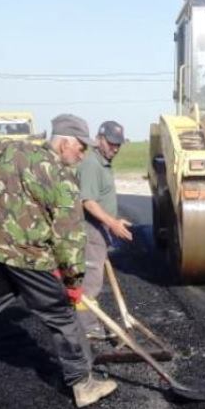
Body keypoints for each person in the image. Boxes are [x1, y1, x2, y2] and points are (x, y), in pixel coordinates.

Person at [0, 114, 117, 409]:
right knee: (64, 318)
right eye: (81, 148)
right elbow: (69, 238)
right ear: (64, 143)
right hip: (30, 260)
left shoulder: (12, 149)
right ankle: (83, 385)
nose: (83, 155)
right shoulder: (63, 181)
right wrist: (73, 283)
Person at [76, 120, 133, 340]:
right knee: (90, 282)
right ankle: (87, 328)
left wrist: (114, 220)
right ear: (99, 139)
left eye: (118, 144)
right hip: (90, 230)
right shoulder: (92, 164)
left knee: (93, 279)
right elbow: (88, 202)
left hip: (99, 229)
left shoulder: (103, 163)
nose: (115, 149)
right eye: (111, 144)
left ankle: (87, 323)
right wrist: (112, 224)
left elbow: (100, 199)